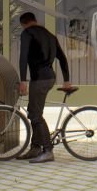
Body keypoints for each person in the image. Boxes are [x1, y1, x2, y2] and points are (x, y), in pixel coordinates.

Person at [16, 11, 72, 163]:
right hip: (50, 78)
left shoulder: (27, 33)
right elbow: (62, 58)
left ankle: (47, 150)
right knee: (34, 112)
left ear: (24, 23)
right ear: (35, 20)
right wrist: (66, 80)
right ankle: (35, 148)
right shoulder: (50, 35)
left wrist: (23, 80)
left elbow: (23, 57)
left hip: (39, 79)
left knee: (35, 115)